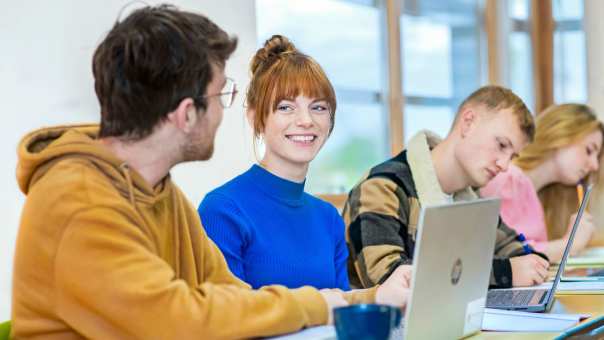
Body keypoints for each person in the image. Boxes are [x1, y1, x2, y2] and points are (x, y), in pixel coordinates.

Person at [12, 5, 366, 338]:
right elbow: (178, 322)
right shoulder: (78, 202)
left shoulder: (162, 195)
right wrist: (315, 304)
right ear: (186, 114)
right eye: (219, 95)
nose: (222, 112)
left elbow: (232, 296)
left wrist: (355, 301)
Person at [198, 35, 410, 303]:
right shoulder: (222, 210)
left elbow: (341, 308)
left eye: (318, 107)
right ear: (255, 117)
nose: (306, 121)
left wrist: (386, 293)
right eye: (286, 107)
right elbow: (229, 316)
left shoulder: (327, 218)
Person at [344, 85, 551, 290]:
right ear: (468, 122)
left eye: (512, 156)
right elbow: (391, 280)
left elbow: (516, 250)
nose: (505, 165)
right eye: (502, 145)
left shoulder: (472, 198)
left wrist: (531, 265)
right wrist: (505, 272)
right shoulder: (381, 187)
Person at [481, 104, 602, 262]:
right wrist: (568, 245)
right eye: (589, 150)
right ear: (561, 134)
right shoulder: (506, 178)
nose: (594, 165)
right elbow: (504, 254)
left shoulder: (535, 194)